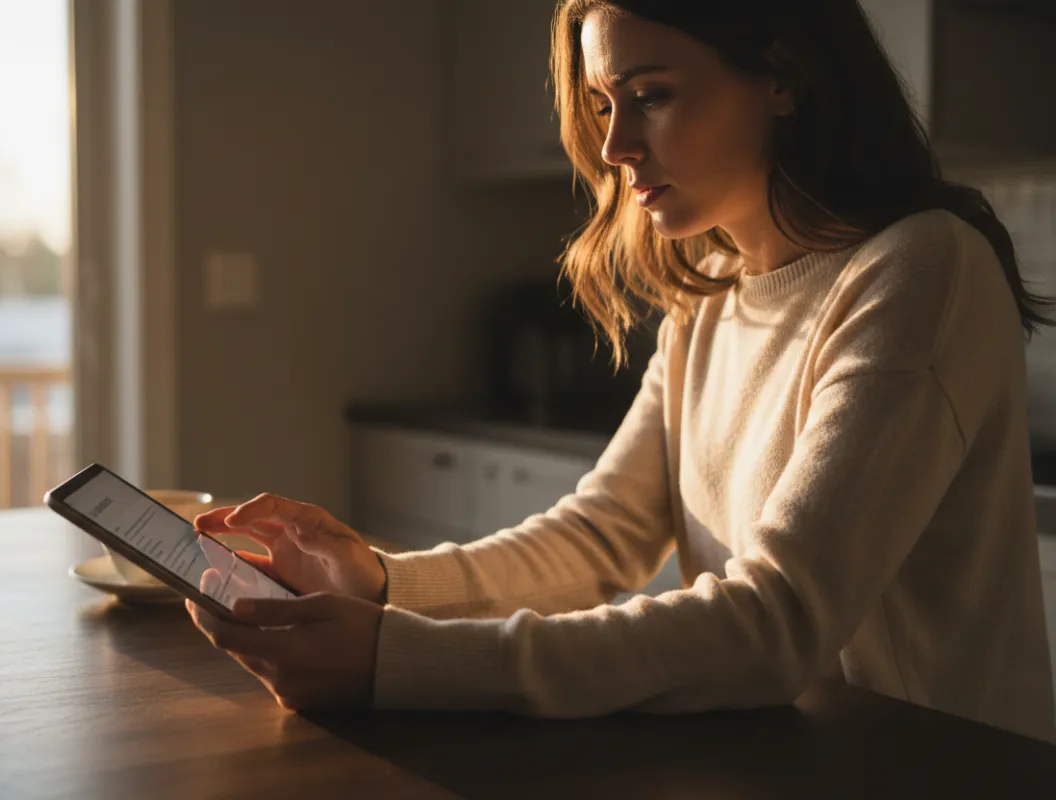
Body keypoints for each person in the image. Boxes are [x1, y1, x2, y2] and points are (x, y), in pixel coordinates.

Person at [186, 0, 1056, 742]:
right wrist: (382, 582)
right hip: (778, 757)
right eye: (605, 104)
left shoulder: (920, 268)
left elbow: (775, 621)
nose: (615, 146)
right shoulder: (711, 293)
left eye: (651, 96)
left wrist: (391, 658)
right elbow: (601, 537)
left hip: (932, 768)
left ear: (784, 79)